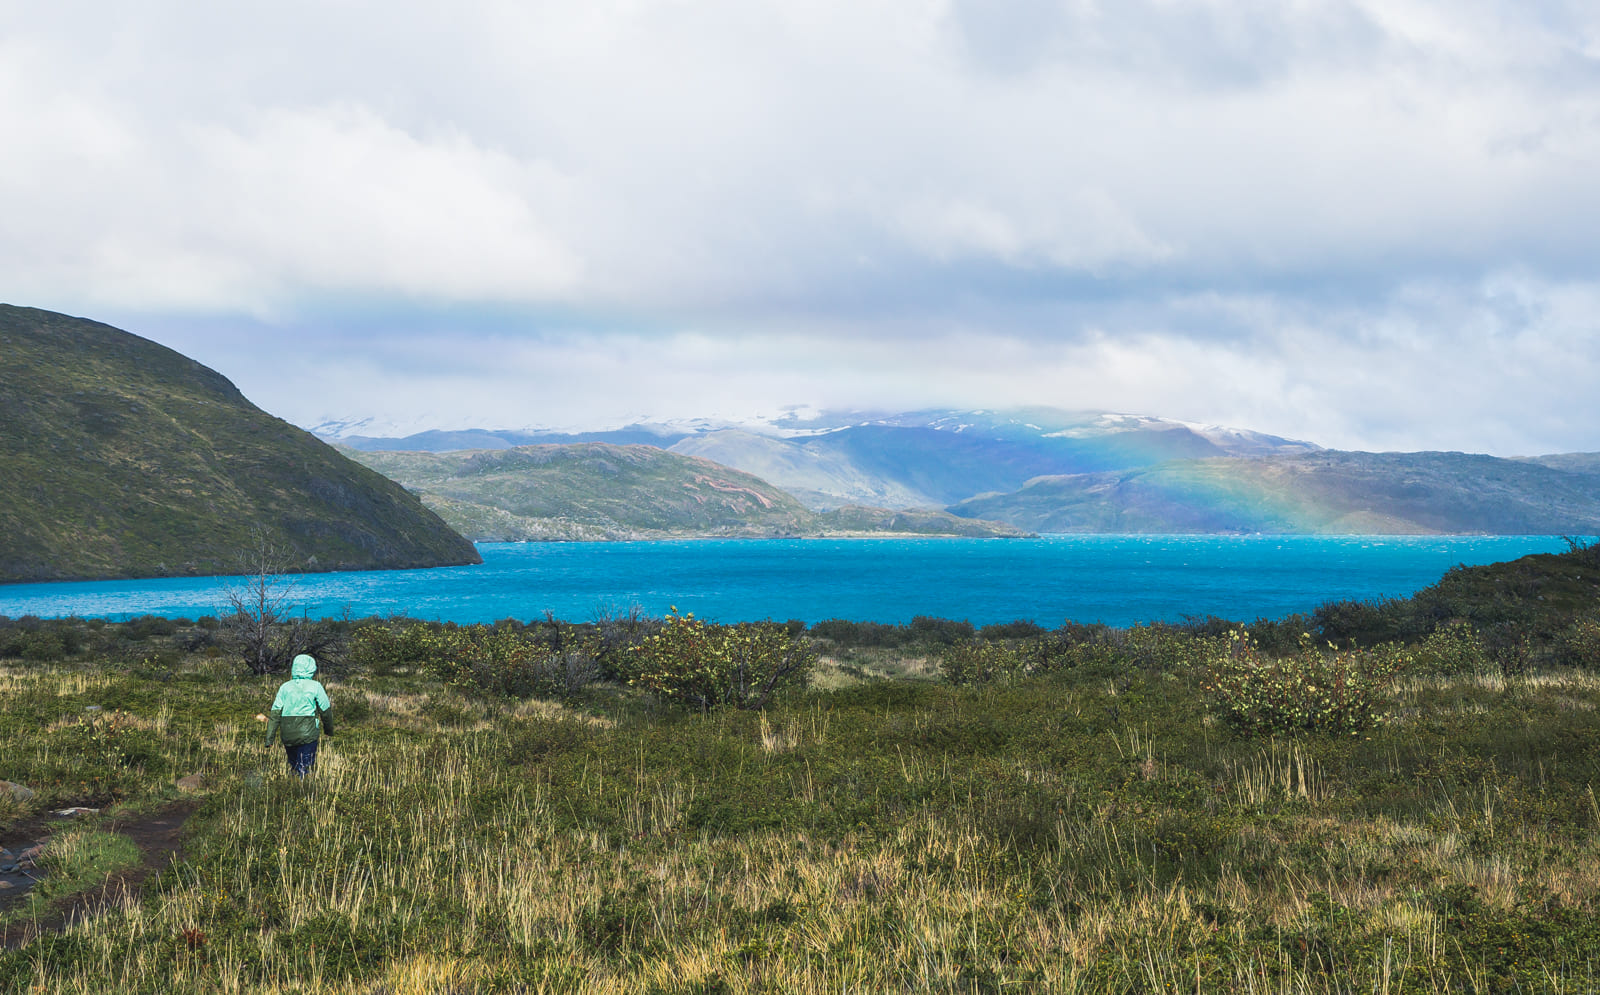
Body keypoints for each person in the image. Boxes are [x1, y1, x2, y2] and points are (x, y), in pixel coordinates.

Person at [264, 653, 334, 775]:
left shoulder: (285, 687)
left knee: (294, 766)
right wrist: (329, 730)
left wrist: (269, 739)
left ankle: (292, 789)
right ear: (312, 668)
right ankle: (304, 791)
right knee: (305, 768)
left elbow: (275, 714)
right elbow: (326, 711)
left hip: (287, 734)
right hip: (308, 734)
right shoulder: (316, 686)